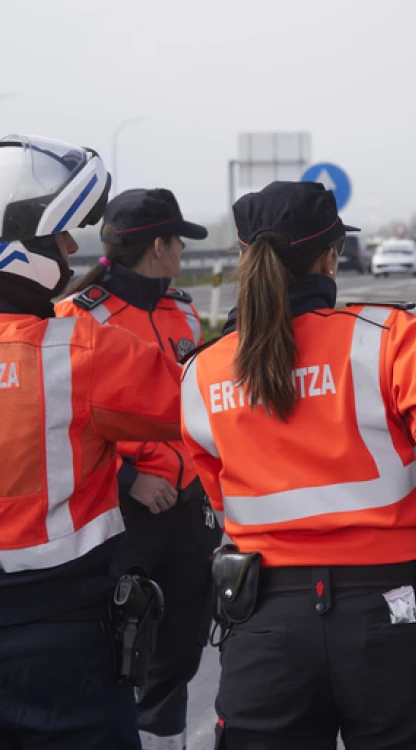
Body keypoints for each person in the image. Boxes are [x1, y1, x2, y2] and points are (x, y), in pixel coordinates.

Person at [180, 180, 416, 750]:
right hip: (390, 615)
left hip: (263, 624)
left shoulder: (203, 372)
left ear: (245, 259)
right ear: (330, 257)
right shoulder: (385, 339)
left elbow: (218, 497)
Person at [0, 135, 184, 749]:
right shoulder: (78, 351)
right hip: (57, 636)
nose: (73, 248)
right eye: (58, 237)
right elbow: (205, 408)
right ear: (19, 246)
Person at [56, 188, 223, 750]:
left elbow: (194, 403)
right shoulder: (78, 317)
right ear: (160, 245)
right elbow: (61, 419)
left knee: (180, 645)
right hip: (120, 508)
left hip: (188, 506)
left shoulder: (183, 308)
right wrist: (130, 479)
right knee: (116, 644)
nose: (182, 252)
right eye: (179, 241)